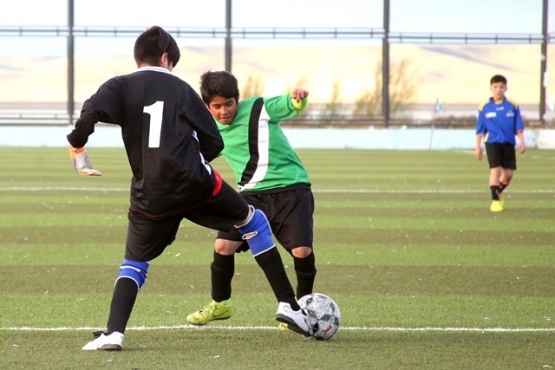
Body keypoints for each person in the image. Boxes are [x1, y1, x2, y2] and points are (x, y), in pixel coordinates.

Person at [67, 26, 308, 351]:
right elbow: (213, 140)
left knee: (134, 262)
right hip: (196, 183)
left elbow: (90, 111)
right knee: (253, 222)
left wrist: (78, 149)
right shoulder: (180, 89)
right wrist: (192, 165)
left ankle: (114, 334)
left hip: (148, 194)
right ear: (166, 57)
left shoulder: (119, 85)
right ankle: (288, 306)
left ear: (139, 56)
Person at [186, 71, 317, 331]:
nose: (224, 111)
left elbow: (289, 104)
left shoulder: (259, 108)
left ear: (238, 99)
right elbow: (195, 158)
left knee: (302, 251)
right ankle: (221, 304)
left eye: (229, 103)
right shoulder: (210, 131)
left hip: (292, 189)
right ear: (207, 106)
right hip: (251, 194)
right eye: (217, 106)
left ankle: (300, 309)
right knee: (223, 245)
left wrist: (297, 98)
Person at [475, 74, 526, 212]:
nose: (498, 90)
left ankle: (498, 191)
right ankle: (495, 201)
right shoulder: (484, 106)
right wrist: (478, 147)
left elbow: (518, 125)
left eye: (501, 87)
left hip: (509, 143)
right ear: (491, 88)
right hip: (492, 143)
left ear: (506, 88)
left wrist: (522, 140)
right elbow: (480, 129)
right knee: (495, 171)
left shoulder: (512, 105)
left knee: (508, 175)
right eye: (495, 87)